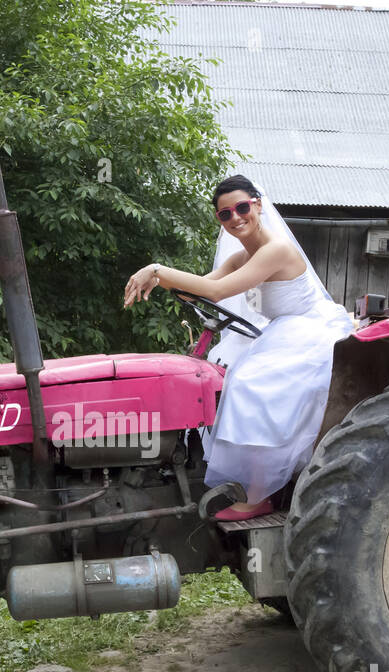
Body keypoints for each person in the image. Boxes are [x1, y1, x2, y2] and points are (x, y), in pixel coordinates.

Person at [123, 175, 353, 520]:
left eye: (242, 208)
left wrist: (156, 269)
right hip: (282, 329)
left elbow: (215, 292)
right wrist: (161, 280)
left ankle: (260, 492)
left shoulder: (276, 250)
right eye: (225, 214)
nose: (235, 218)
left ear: (258, 205)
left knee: (248, 385)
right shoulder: (240, 257)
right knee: (215, 370)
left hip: (308, 328)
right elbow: (201, 288)